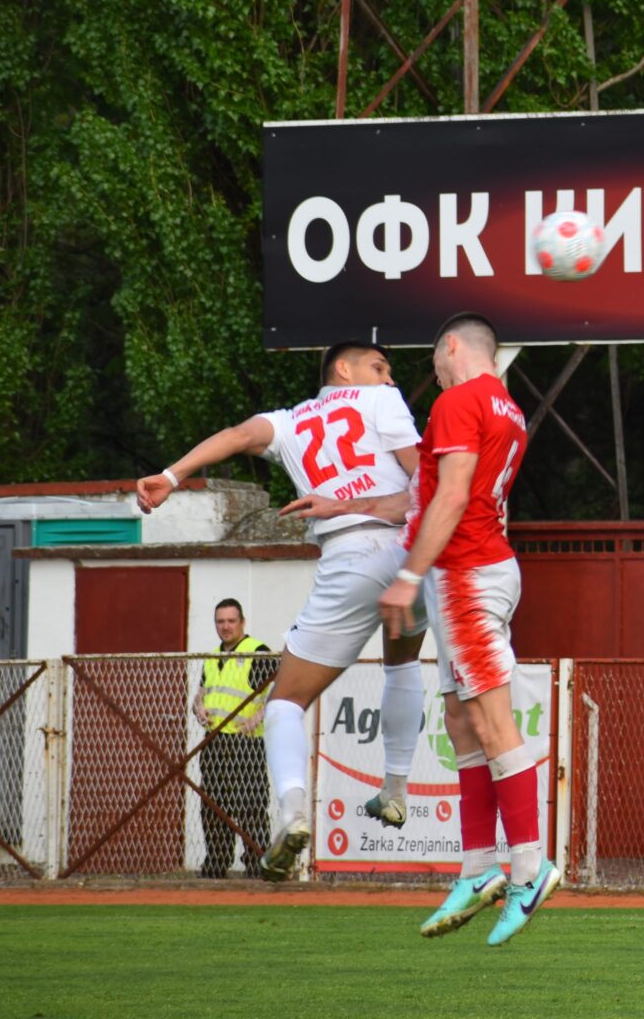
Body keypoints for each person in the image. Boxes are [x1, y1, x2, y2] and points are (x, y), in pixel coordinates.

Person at [138, 340, 428, 883]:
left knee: (285, 702)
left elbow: (237, 437)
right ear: (344, 369)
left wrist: (172, 477)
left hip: (349, 558)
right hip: (410, 555)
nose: (389, 380)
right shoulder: (382, 403)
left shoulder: (290, 422)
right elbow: (428, 486)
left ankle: (293, 814)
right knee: (404, 663)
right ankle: (394, 788)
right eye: (379, 367)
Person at [378, 313, 555, 945]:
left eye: (434, 361)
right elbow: (445, 492)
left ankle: (530, 868)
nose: (436, 373)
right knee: (461, 719)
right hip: (484, 566)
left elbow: (450, 497)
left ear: (451, 346)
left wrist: (408, 575)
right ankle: (480, 867)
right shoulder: (508, 408)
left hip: (465, 573)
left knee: (491, 719)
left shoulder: (459, 399)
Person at [192, 599, 273, 878]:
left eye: (231, 621)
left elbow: (277, 692)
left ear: (242, 622)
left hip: (245, 741)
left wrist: (258, 716)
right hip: (214, 741)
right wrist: (198, 707)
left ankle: (257, 862)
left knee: (250, 804)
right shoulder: (213, 655)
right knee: (214, 806)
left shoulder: (257, 652)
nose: (225, 627)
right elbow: (202, 691)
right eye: (220, 621)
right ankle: (217, 860)